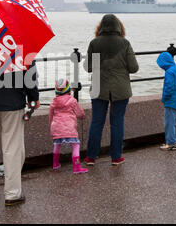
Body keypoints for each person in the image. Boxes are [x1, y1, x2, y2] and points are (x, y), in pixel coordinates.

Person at [0, 63, 40, 208]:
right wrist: (33, 97)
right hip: (13, 101)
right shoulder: (20, 43)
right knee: (12, 149)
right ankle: (12, 194)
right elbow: (29, 73)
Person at [83, 14, 139, 166]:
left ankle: (91, 157)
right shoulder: (125, 43)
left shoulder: (94, 43)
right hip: (120, 89)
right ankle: (116, 157)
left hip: (99, 88)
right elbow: (134, 68)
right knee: (117, 123)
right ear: (118, 27)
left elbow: (87, 67)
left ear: (100, 27)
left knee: (96, 123)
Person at [49, 79, 88, 174]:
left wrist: (52, 127)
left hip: (57, 127)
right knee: (75, 145)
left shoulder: (53, 102)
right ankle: (77, 167)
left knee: (57, 144)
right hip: (70, 128)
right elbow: (80, 113)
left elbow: (51, 117)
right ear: (69, 90)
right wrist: (82, 116)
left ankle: (55, 164)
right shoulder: (72, 101)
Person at [156, 52, 176, 151]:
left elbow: (169, 87)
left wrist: (164, 98)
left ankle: (171, 143)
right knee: (174, 121)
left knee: (169, 122)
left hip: (170, 100)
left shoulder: (169, 72)